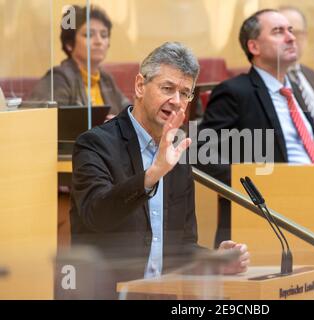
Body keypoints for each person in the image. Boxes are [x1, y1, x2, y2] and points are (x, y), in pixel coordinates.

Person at [68, 42, 250, 299]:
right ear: (140, 86)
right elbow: (96, 215)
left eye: (185, 93)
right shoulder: (96, 143)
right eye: (167, 88)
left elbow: (181, 245)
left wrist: (214, 259)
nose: (176, 101)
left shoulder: (178, 148)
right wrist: (153, 173)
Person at [197, 9, 314, 246]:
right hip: (271, 211)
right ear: (254, 47)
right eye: (278, 32)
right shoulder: (235, 92)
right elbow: (203, 154)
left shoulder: (295, 91)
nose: (291, 37)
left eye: (290, 30)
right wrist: (256, 188)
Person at [30, 5, 130, 116]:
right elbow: (47, 122)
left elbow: (130, 115)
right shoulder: (58, 79)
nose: (99, 41)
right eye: (88, 35)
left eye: (104, 35)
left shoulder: (106, 79)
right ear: (69, 44)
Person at [279, 6, 314, 129]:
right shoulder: (268, 81)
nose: (291, 39)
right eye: (282, 33)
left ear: (305, 37)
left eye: (297, 33)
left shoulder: (312, 75)